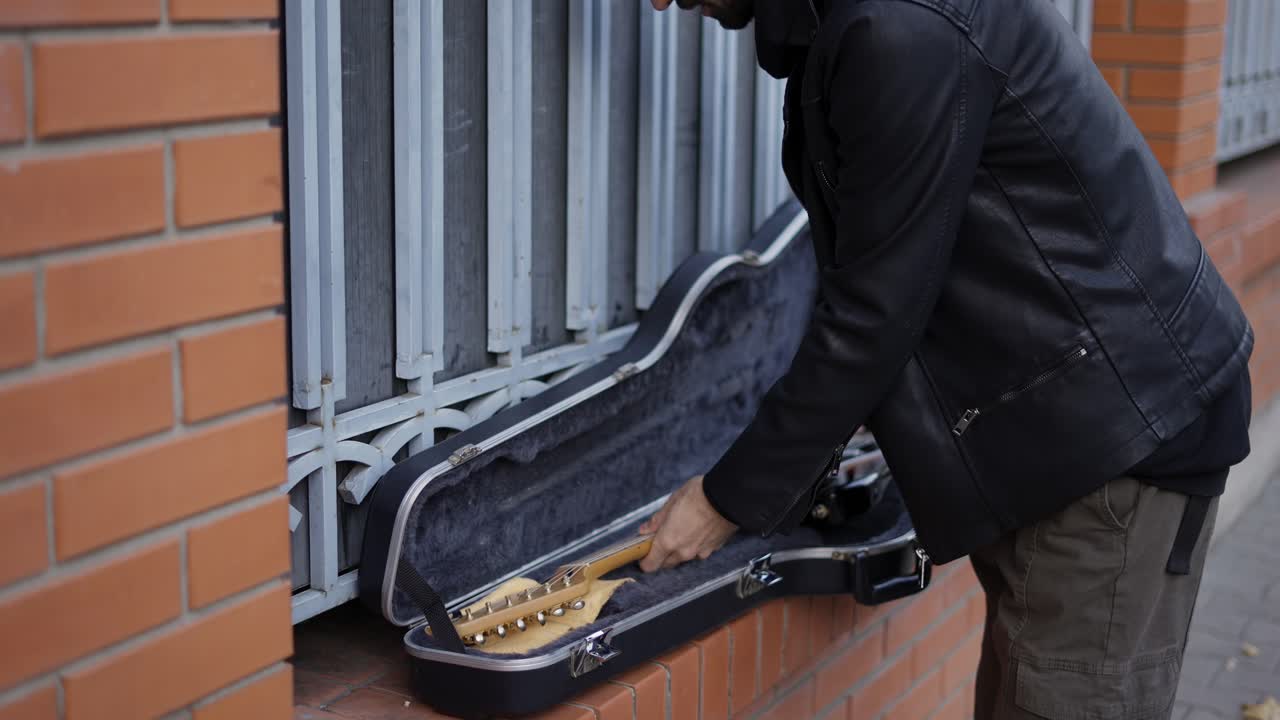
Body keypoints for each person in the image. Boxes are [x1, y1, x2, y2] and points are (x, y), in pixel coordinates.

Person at [638, 0, 1254, 717]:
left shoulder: (900, 25)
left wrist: (725, 500)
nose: (657, 3)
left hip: (1118, 440)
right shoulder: (860, 23)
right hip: (1063, 433)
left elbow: (874, 313)